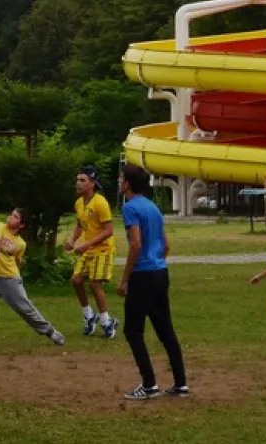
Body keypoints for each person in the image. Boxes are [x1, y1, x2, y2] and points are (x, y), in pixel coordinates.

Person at [116, 163, 188, 400]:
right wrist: (156, 262)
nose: (118, 181)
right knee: (165, 329)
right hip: (160, 272)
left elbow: (135, 243)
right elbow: (166, 244)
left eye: (121, 178)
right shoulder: (153, 207)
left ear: (128, 183)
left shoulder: (131, 208)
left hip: (143, 275)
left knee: (132, 330)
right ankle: (180, 384)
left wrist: (126, 277)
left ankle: (149, 385)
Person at [0, 208, 65, 348]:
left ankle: (50, 332)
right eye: (11, 214)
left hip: (10, 279)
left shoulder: (21, 244)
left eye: (15, 216)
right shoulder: (0, 226)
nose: (10, 217)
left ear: (21, 225)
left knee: (26, 309)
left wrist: (14, 275)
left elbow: (17, 261)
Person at [64, 166, 117, 338]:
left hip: (103, 248)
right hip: (89, 248)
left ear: (92, 183)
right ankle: (88, 316)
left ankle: (106, 321)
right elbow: (81, 225)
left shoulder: (100, 202)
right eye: (77, 180)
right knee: (76, 280)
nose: (78, 184)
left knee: (95, 284)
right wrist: (73, 240)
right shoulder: (79, 203)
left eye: (83, 180)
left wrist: (86, 245)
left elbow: (109, 230)